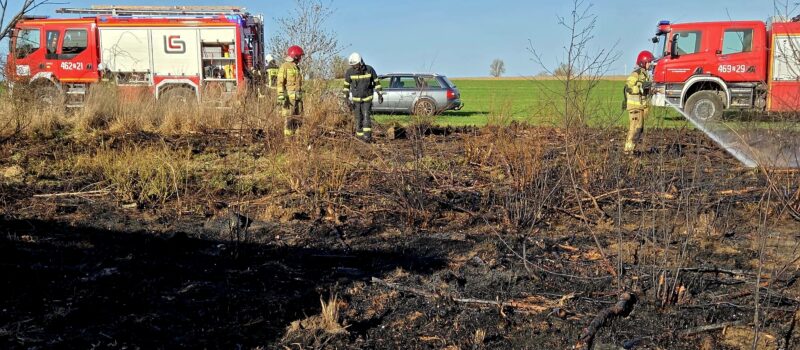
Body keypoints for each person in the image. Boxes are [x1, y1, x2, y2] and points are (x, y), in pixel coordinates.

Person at [342, 52, 383, 142]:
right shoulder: (349, 72)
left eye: (356, 65)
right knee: (358, 118)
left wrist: (380, 94)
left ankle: (367, 137)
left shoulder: (369, 70)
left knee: (366, 117)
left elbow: (376, 82)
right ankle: (359, 138)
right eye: (353, 65)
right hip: (356, 101)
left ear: (361, 62)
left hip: (367, 99)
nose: (355, 67)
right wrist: (346, 98)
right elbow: (346, 86)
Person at [624, 50, 654, 154]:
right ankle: (628, 150)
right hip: (634, 106)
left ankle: (631, 149)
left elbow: (645, 92)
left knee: (639, 129)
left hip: (641, 106)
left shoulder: (646, 75)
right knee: (634, 128)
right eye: (649, 62)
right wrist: (640, 87)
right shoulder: (636, 74)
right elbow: (628, 87)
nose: (650, 64)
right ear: (643, 62)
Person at [277, 46, 305, 137]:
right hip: (289, 100)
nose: (301, 58)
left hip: (298, 99)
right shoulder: (284, 66)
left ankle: (297, 140)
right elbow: (280, 82)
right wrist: (281, 96)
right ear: (295, 56)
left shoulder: (297, 68)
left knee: (298, 120)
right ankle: (288, 142)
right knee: (289, 120)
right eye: (299, 56)